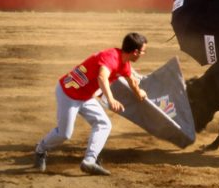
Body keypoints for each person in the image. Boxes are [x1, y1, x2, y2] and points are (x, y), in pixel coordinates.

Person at [34, 33, 149, 176]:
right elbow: (102, 76)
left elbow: (131, 80)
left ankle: (89, 160)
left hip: (85, 96)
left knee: (104, 124)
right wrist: (111, 99)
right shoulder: (111, 57)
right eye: (144, 51)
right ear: (135, 52)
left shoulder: (124, 63)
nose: (144, 54)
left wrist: (139, 94)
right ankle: (40, 149)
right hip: (68, 93)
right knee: (64, 134)